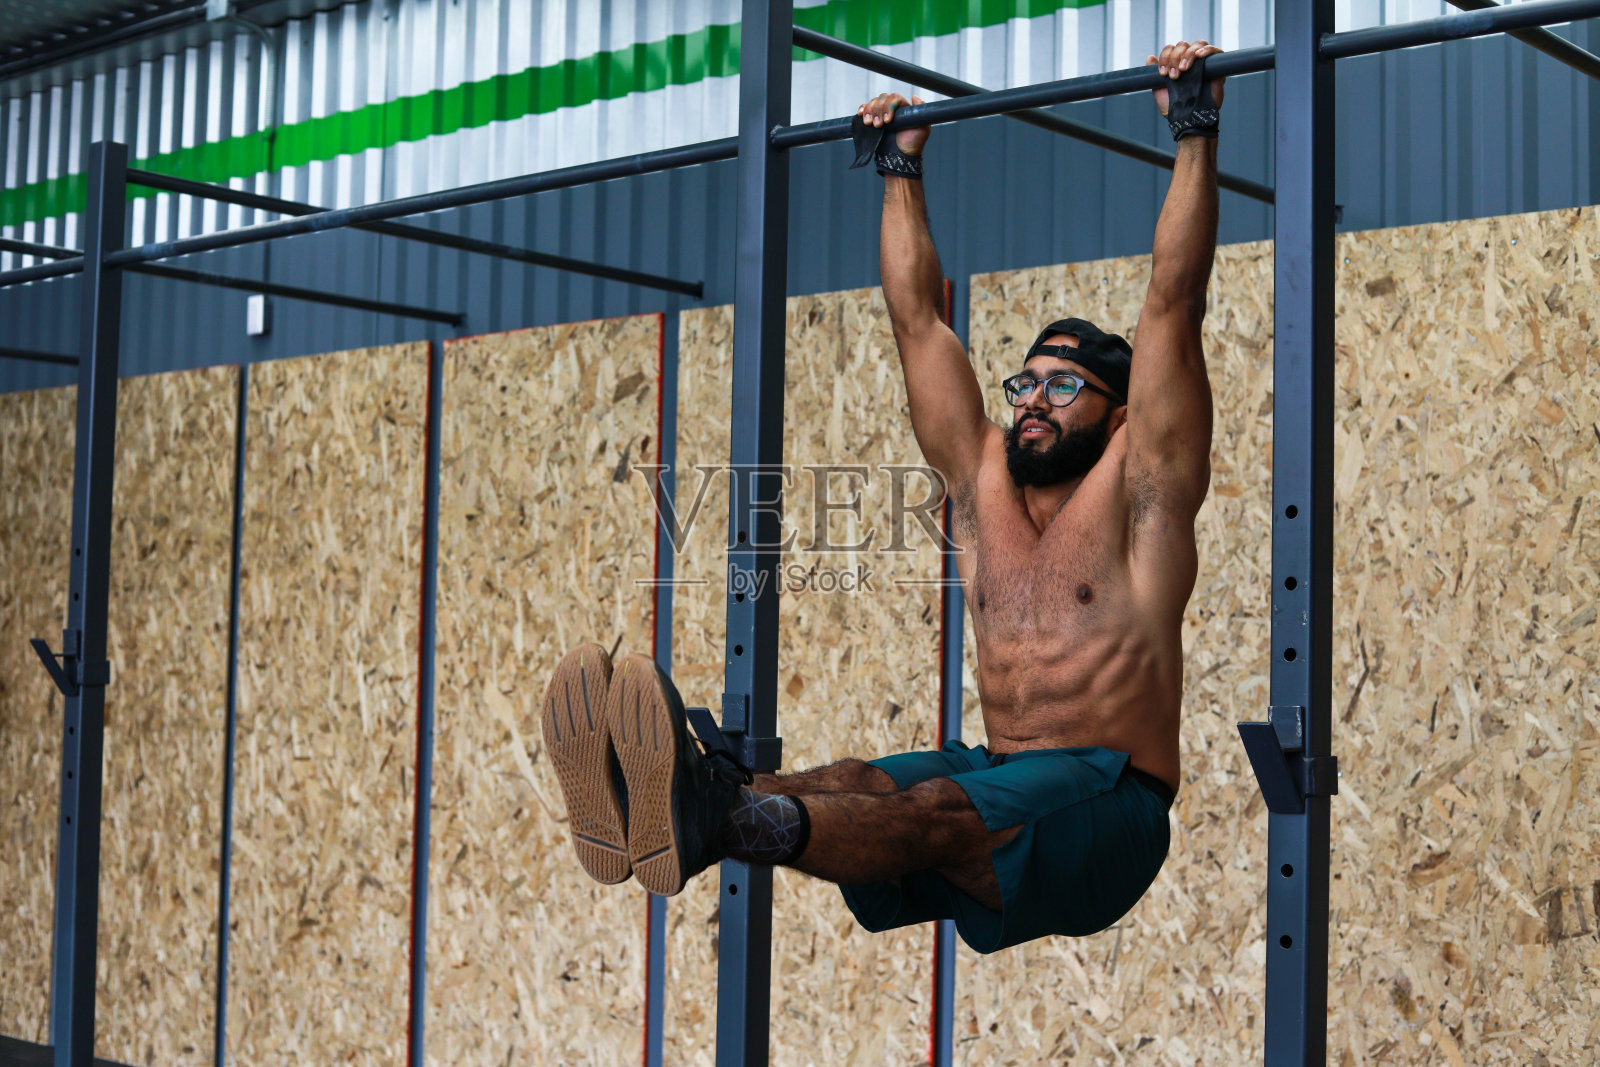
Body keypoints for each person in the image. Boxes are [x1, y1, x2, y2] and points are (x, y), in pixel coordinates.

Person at [542, 40, 1224, 953]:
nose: (1030, 404)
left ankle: (707, 812)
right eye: (1024, 385)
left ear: (1120, 411)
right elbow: (919, 321)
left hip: (1110, 807)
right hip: (1006, 774)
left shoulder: (1144, 488)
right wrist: (899, 169)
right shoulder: (979, 479)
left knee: (938, 805)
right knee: (858, 779)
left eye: (1062, 390)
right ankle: (675, 808)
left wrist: (1193, 128)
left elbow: (1173, 301)